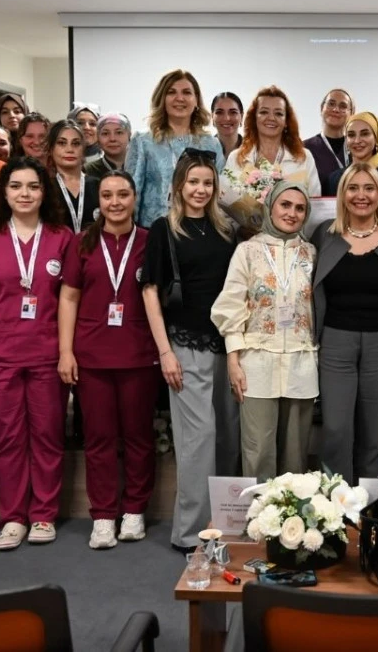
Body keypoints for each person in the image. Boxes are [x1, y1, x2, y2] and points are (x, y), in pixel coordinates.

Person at [0, 157, 73, 551]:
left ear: (45, 193)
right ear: (3, 193)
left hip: (46, 354)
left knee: (47, 436)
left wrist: (66, 352)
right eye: (16, 186)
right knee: (7, 440)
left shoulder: (62, 237)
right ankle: (12, 518)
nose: (25, 194)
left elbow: (69, 300)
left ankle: (43, 514)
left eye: (33, 186)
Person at [140, 151, 239, 552]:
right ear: (179, 185)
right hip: (185, 344)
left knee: (228, 436)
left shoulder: (226, 229)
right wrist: (165, 352)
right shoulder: (163, 229)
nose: (200, 190)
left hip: (227, 345)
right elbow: (150, 291)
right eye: (193, 182)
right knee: (198, 439)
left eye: (207, 183)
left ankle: (226, 524)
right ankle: (191, 534)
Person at [58, 171, 158, 549]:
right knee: (98, 439)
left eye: (122, 194)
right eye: (106, 195)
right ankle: (102, 515)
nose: (115, 202)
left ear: (134, 197)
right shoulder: (81, 242)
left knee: (138, 437)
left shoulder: (149, 241)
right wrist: (65, 351)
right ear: (98, 201)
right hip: (92, 356)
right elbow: (68, 297)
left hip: (138, 354)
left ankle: (134, 509)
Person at [311, 162, 378, 484]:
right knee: (336, 428)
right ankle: (335, 501)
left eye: (369, 188)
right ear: (342, 194)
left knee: (374, 431)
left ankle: (367, 502)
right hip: (335, 342)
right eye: (353, 188)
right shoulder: (324, 234)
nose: (361, 195)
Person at [211, 181, 316, 480]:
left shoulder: (311, 253)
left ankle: (293, 511)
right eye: (285, 205)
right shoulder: (247, 251)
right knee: (257, 452)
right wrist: (234, 360)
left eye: (300, 208)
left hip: (301, 364)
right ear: (270, 207)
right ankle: (258, 511)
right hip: (256, 363)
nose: (292, 213)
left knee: (295, 456)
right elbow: (230, 304)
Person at [126, 69, 225, 229]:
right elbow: (131, 192)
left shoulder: (211, 144)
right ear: (162, 98)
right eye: (171, 92)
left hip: (199, 230)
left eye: (187, 92)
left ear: (196, 100)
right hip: (153, 231)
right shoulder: (143, 141)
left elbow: (220, 194)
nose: (180, 98)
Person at [220, 86, 320, 236]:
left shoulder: (304, 158)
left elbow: (314, 207)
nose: (271, 118)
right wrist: (241, 230)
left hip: (294, 243)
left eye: (278, 113)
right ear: (254, 118)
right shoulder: (236, 157)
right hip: (248, 243)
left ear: (286, 121)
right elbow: (224, 207)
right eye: (264, 112)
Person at [326, 111, 378, 217]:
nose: (357, 140)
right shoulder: (334, 178)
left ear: (376, 138)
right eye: (351, 135)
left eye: (364, 134)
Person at [46, 120, 100, 232]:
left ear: (83, 149)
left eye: (76, 144)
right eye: (62, 143)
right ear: (51, 149)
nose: (70, 149)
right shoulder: (45, 188)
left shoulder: (99, 186)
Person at [303, 88, 353, 193]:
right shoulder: (304, 148)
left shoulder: (358, 147)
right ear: (322, 108)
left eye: (343, 106)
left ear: (351, 113)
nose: (336, 109)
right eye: (331, 104)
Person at [85, 113, 131, 178]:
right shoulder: (87, 171)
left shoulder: (140, 166)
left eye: (119, 132)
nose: (112, 139)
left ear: (129, 135)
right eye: (105, 133)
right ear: (98, 138)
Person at [211, 92, 244, 158]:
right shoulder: (201, 151)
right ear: (212, 116)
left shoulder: (255, 150)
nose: (226, 118)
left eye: (233, 112)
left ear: (241, 116)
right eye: (219, 112)